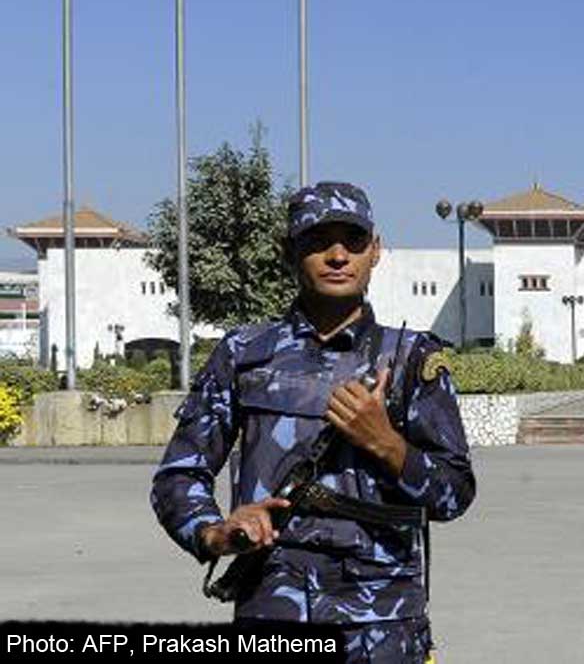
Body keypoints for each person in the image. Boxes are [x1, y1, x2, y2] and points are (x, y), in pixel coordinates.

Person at [151, 181, 475, 663]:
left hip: (381, 625)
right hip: (273, 611)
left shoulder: (410, 359)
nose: (338, 256)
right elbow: (178, 476)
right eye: (318, 241)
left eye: (354, 241)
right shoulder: (244, 355)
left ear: (376, 251)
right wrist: (212, 532)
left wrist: (386, 444)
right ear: (289, 252)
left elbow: (454, 494)